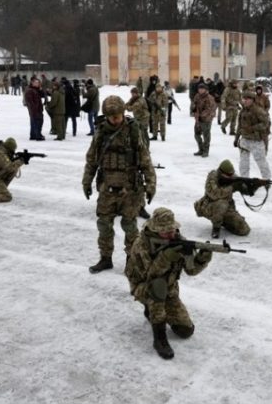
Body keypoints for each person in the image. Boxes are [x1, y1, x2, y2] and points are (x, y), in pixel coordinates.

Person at [124, 207, 213, 359]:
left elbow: (191, 271)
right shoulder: (141, 245)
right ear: (155, 229)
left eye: (172, 230)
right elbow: (150, 275)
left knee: (185, 331)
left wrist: (202, 258)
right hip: (145, 287)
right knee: (158, 287)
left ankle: (151, 310)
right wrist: (165, 258)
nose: (171, 234)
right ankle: (159, 338)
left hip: (170, 290)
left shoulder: (178, 240)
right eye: (166, 231)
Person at [82, 96, 156, 274]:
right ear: (106, 116)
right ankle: (105, 258)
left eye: (118, 115)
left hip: (129, 188)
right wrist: (87, 180)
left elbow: (146, 160)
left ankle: (132, 260)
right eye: (112, 116)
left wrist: (151, 183)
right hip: (107, 187)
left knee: (130, 226)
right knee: (104, 224)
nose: (116, 119)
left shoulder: (133, 132)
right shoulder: (101, 132)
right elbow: (92, 159)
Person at [194, 159, 262, 238]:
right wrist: (232, 187)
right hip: (209, 207)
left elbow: (246, 191)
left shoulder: (233, 177)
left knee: (244, 229)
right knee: (222, 204)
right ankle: (216, 227)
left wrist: (255, 185)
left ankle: (223, 221)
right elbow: (215, 194)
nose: (231, 176)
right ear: (221, 172)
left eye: (231, 174)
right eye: (228, 175)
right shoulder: (212, 177)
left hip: (226, 209)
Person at [235, 91, 271, 179]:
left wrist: (252, 128)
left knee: (261, 161)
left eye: (248, 99)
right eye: (244, 99)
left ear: (252, 100)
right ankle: (244, 179)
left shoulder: (258, 110)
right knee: (243, 162)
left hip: (256, 141)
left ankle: (267, 179)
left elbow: (266, 124)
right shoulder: (243, 111)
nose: (245, 101)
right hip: (244, 140)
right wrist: (236, 138)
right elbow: (239, 125)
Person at [191, 83, 217, 157]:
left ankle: (206, 151)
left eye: (202, 89)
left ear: (206, 90)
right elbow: (194, 104)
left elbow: (209, 109)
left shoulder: (209, 98)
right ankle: (201, 149)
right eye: (199, 89)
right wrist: (194, 110)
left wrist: (201, 115)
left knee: (206, 136)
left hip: (206, 119)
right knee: (197, 135)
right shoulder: (197, 96)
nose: (200, 90)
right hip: (198, 119)